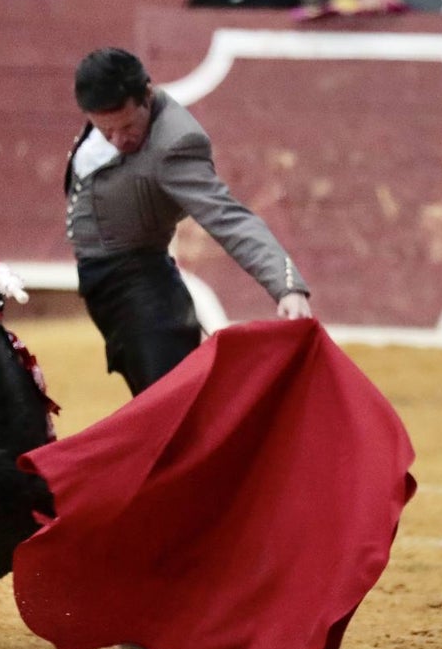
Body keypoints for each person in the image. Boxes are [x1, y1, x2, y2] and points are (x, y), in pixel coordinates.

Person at [64, 47, 312, 396]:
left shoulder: (175, 144)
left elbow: (228, 217)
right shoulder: (110, 99)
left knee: (169, 420)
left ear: (147, 95)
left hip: (146, 296)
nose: (119, 141)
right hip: (110, 292)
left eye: (128, 127)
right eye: (105, 132)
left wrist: (286, 284)